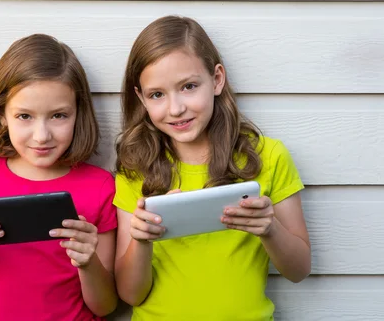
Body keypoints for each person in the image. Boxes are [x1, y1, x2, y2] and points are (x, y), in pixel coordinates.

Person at [113, 16, 311, 320]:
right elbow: (130, 294)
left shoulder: (268, 157)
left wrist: (270, 230)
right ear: (140, 97)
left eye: (189, 86)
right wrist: (141, 241)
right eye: (157, 95)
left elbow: (299, 270)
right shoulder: (136, 169)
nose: (176, 108)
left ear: (217, 79)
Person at [0, 34, 118, 321]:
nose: (42, 136)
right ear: (2, 114)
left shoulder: (99, 187)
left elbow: (105, 306)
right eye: (25, 116)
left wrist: (88, 263)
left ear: (78, 113)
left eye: (59, 116)